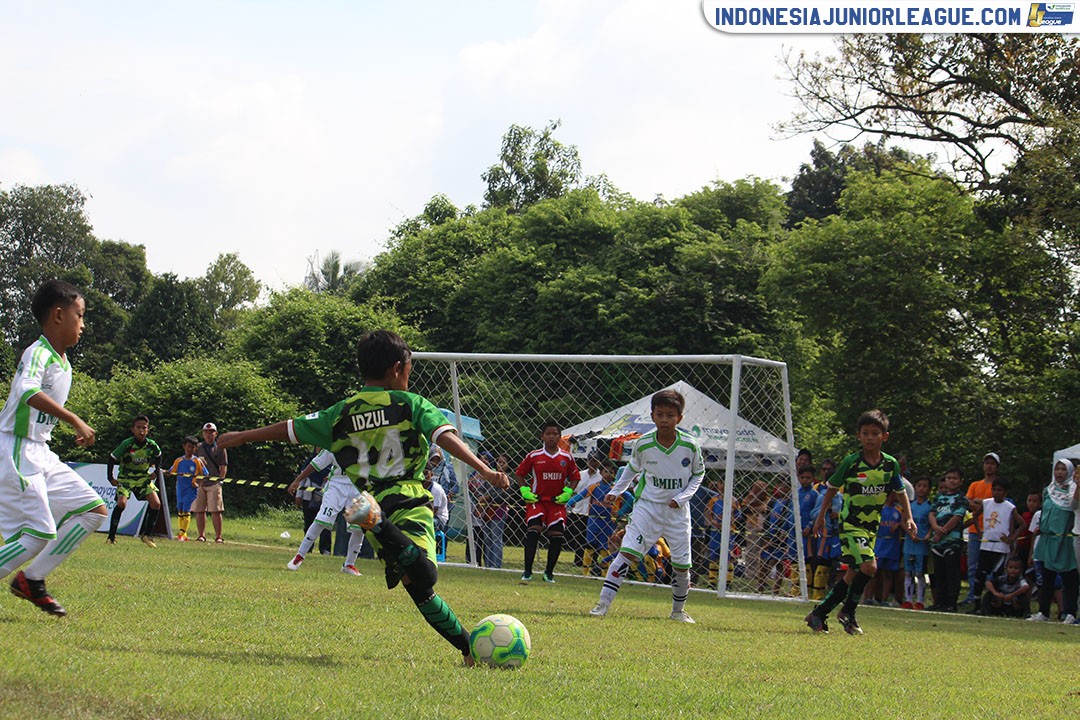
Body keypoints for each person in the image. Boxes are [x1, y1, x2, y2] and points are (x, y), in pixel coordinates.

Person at [216, 330, 510, 666]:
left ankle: (467, 649)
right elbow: (444, 436)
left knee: (418, 589)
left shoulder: (341, 412)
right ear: (399, 368)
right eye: (410, 370)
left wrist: (241, 437)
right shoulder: (411, 404)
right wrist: (484, 470)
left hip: (369, 501)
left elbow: (289, 428)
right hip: (408, 499)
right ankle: (381, 525)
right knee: (426, 574)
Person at [0, 279, 108, 617]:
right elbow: (27, 391)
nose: (83, 324)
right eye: (80, 315)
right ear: (59, 315)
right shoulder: (38, 352)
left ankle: (31, 580)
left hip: (41, 453)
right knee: (37, 533)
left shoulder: (64, 364)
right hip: (16, 450)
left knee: (94, 510)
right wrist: (74, 418)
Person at [589, 389, 705, 622]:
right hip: (647, 508)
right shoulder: (644, 444)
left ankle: (678, 612)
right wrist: (615, 491)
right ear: (652, 416)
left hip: (677, 512)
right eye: (660, 414)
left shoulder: (690, 445)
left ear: (679, 418)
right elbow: (632, 469)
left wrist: (682, 498)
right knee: (626, 554)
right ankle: (602, 605)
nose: (664, 419)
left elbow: (698, 475)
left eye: (670, 415)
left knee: (682, 566)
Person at [804, 409, 915, 635]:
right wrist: (821, 517)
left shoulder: (890, 464)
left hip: (871, 526)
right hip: (850, 524)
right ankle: (848, 612)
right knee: (869, 566)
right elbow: (831, 489)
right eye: (865, 433)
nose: (870, 438)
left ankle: (818, 614)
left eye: (875, 433)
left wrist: (908, 516)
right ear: (859, 436)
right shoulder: (851, 463)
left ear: (885, 436)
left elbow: (900, 492)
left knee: (854, 572)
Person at [515, 421, 582, 583]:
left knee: (557, 535)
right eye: (548, 434)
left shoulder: (566, 457)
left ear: (560, 437)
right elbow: (519, 473)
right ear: (542, 436)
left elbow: (575, 477)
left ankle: (549, 573)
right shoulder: (534, 455)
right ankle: (527, 571)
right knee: (534, 529)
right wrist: (525, 490)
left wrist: (568, 491)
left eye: (555, 434)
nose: (551, 437)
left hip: (556, 503)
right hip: (537, 500)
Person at [285, 448, 365, 575]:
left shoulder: (368, 442)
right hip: (336, 486)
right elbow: (315, 463)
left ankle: (349, 564)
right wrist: (298, 480)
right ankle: (299, 556)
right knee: (322, 520)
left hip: (358, 486)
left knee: (359, 528)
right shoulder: (336, 444)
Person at [1028, 459, 1078, 623]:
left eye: (1063, 469)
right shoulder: (1048, 490)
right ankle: (1043, 612)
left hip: (1063, 539)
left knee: (1068, 577)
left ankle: (1070, 612)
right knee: (1046, 577)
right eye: (1057, 469)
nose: (1060, 472)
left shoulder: (1073, 490)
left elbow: (1072, 506)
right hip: (1046, 538)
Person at [106, 414, 164, 547]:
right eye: (138, 427)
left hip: (143, 478)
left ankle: (146, 536)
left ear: (148, 430)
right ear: (133, 429)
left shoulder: (151, 445)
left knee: (156, 503)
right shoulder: (127, 444)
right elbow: (112, 458)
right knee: (121, 503)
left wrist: (156, 471)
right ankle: (111, 537)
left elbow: (159, 456)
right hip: (126, 479)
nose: (141, 431)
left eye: (144, 428)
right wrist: (110, 478)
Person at [969, 477, 1025, 614]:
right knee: (979, 575)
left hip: (1000, 547)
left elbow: (1022, 524)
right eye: (994, 489)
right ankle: (976, 604)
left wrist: (1012, 538)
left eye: (1000, 490)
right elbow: (975, 515)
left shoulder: (1010, 507)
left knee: (996, 577)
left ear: (1005, 492)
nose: (996, 492)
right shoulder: (986, 503)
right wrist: (979, 530)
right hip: (986, 545)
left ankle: (996, 605)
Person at [927, 467, 969, 612]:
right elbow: (932, 513)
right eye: (948, 478)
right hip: (937, 542)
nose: (951, 481)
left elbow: (957, 517)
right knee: (939, 573)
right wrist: (935, 527)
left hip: (952, 541)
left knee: (952, 573)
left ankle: (951, 603)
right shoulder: (939, 497)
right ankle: (939, 602)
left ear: (960, 481)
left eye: (954, 478)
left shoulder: (961, 499)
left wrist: (942, 531)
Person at [963, 452, 1000, 604]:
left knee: (991, 567)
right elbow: (967, 502)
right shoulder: (975, 485)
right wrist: (982, 503)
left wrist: (980, 502)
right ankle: (972, 595)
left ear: (997, 467)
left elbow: (997, 504)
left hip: (992, 531)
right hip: (974, 530)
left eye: (992, 463)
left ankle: (989, 596)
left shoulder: (998, 486)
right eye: (987, 463)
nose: (989, 466)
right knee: (972, 565)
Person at [168, 436, 208, 542]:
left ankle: (182, 533)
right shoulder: (178, 460)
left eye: (193, 447)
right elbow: (171, 471)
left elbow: (206, 474)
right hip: (180, 488)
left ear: (195, 449)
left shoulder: (197, 461)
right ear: (184, 447)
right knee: (180, 509)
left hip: (190, 489)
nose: (190, 449)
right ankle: (182, 533)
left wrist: (198, 483)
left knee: (186, 509)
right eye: (188, 446)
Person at [901, 476, 933, 609]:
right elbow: (903, 521)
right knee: (908, 572)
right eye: (919, 485)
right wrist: (909, 533)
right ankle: (908, 599)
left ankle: (920, 601)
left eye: (925, 486)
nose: (922, 488)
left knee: (920, 573)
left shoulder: (930, 506)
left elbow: (931, 523)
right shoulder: (910, 505)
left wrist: (927, 535)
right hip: (909, 543)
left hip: (922, 544)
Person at [194, 422, 228, 543]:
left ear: (216, 433)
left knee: (215, 510)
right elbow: (193, 464)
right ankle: (201, 535)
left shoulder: (220, 447)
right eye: (206, 432)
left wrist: (220, 481)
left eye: (211, 432)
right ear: (203, 433)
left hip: (214, 483)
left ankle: (218, 536)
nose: (208, 434)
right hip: (200, 483)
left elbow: (223, 466)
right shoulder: (198, 447)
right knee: (199, 510)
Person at [294, 453, 332, 555]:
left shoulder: (332, 464)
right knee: (309, 523)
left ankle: (325, 549)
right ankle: (307, 548)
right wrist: (299, 495)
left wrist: (330, 477)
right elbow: (302, 479)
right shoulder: (309, 462)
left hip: (325, 498)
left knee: (325, 524)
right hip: (308, 497)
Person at [569, 452, 603, 567]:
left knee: (592, 538)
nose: (593, 463)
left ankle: (591, 561)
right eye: (591, 460)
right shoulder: (580, 475)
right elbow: (574, 491)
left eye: (595, 460)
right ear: (587, 461)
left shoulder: (601, 477)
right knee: (578, 537)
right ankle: (578, 560)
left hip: (593, 513)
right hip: (578, 511)